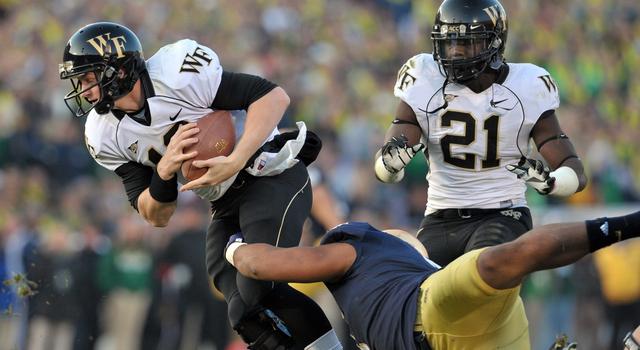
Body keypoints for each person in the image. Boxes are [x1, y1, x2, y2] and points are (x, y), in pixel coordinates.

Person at [58, 22, 338, 350]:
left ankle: (348, 267)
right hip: (223, 201)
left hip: (270, 174)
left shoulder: (176, 74)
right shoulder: (103, 133)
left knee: (261, 287)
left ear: (118, 70)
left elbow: (273, 96)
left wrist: (236, 158)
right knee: (242, 313)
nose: (84, 90)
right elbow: (156, 215)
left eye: (89, 78)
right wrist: (163, 171)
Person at [225, 210, 640, 349]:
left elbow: (262, 265)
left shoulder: (354, 248)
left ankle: (629, 224)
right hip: (481, 334)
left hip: (438, 313)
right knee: (501, 262)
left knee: (501, 262)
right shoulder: (396, 261)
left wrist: (231, 244)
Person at [374, 0, 588, 266]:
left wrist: (552, 182)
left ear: (495, 43)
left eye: (466, 43)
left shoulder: (527, 85)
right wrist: (389, 165)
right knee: (423, 289)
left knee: (480, 267)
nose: (455, 52)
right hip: (441, 217)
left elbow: (575, 170)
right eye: (448, 42)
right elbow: (387, 166)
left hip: (502, 214)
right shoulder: (423, 75)